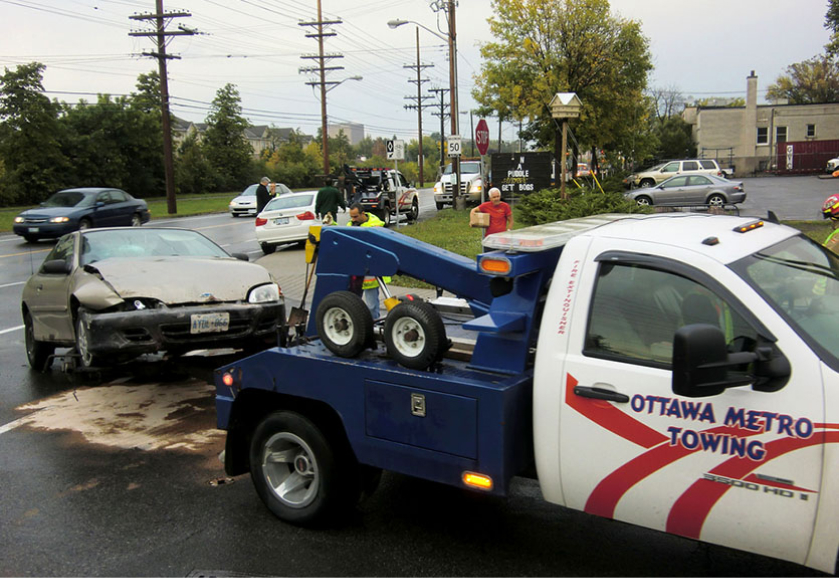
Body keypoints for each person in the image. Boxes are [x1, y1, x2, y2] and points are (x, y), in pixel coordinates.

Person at [348, 203, 389, 318]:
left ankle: (373, 326)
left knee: (371, 306)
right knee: (352, 304)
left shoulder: (374, 226)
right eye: (351, 216)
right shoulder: (351, 225)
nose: (353, 219)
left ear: (363, 214)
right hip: (355, 272)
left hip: (370, 273)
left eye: (355, 216)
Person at [470, 187, 513, 251]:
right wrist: (472, 221)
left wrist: (508, 231)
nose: (496, 199)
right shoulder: (485, 206)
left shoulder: (505, 206)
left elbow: (511, 221)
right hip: (489, 238)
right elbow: (473, 210)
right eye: (494, 197)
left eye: (498, 196)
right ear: (490, 198)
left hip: (501, 238)